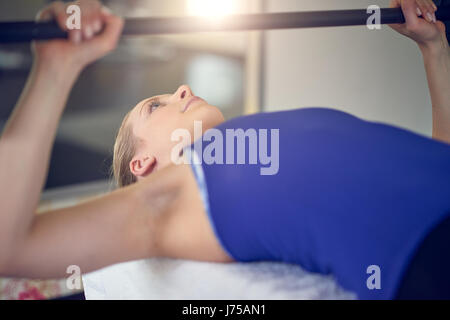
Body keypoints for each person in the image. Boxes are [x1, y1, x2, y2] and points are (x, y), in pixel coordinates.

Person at [0, 0, 449, 299]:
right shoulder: (165, 200)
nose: (182, 87)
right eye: (155, 105)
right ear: (143, 164)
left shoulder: (256, 142)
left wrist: (434, 51)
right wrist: (55, 70)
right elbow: (10, 245)